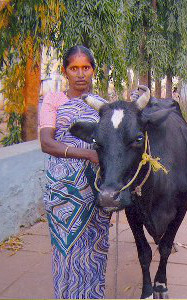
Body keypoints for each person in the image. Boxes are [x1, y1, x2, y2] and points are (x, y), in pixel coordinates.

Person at [39, 45, 111, 298]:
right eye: (74, 68)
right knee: (66, 249)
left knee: (94, 248)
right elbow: (47, 143)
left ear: (93, 70)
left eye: (86, 68)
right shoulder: (53, 100)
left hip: (95, 190)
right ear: (65, 71)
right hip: (63, 191)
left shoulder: (103, 106)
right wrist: (88, 154)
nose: (80, 74)